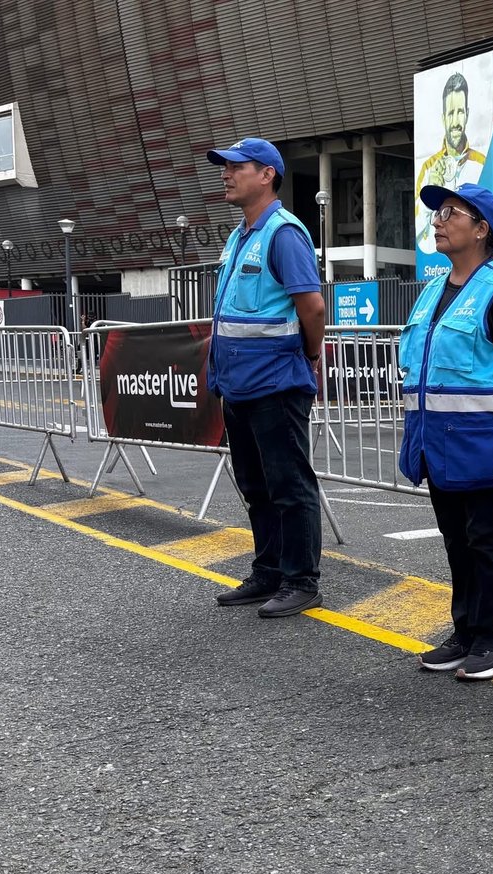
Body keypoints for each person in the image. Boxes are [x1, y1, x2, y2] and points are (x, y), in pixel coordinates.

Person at [398, 183, 493, 681]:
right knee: (455, 539)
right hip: (434, 443)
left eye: (449, 213)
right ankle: (464, 632)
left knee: (486, 538)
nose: (438, 221)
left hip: (480, 442)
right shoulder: (433, 291)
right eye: (437, 213)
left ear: (482, 229)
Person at [204, 137, 327, 619]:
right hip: (237, 385)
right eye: (225, 167)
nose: (226, 174)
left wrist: (310, 355)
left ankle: (301, 580)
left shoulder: (284, 233)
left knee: (289, 485)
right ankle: (269, 571)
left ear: (268, 175)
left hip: (275, 383)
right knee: (256, 485)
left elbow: (312, 307)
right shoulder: (240, 236)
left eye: (237, 166)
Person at [414, 73, 487, 254]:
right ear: (443, 118)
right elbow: (420, 238)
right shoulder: (427, 169)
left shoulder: (482, 164)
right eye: (450, 113)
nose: (437, 222)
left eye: (460, 112)